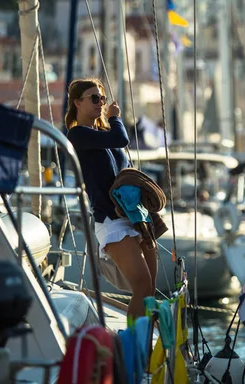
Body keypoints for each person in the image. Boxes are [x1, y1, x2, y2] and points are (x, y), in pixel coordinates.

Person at [65, 78, 157, 318]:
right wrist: (115, 117)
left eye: (102, 98)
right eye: (94, 98)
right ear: (77, 103)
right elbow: (122, 139)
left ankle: (148, 344)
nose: (100, 103)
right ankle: (136, 347)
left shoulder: (102, 135)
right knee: (142, 285)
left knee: (150, 289)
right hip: (110, 220)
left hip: (134, 216)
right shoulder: (78, 135)